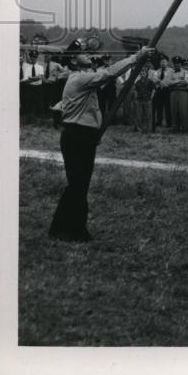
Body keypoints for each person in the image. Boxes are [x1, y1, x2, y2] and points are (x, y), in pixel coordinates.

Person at [48, 46, 155, 241]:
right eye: (83, 53)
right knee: (79, 185)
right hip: (77, 136)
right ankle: (75, 231)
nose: (89, 54)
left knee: (77, 185)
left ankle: (59, 228)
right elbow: (108, 73)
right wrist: (136, 57)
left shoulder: (85, 79)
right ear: (73, 61)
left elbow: (106, 79)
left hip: (82, 135)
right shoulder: (79, 78)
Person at [166, 56, 188, 132]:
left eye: (178, 63)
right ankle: (175, 128)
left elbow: (186, 81)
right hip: (173, 92)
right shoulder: (170, 72)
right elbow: (168, 82)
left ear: (181, 64)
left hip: (183, 92)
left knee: (183, 110)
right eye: (175, 63)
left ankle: (185, 128)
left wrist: (174, 82)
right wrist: (178, 81)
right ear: (173, 64)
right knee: (174, 110)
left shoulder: (185, 72)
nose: (177, 65)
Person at [150, 54, 173, 129]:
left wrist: (160, 81)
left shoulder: (171, 71)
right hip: (159, 90)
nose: (163, 63)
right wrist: (161, 82)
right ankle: (159, 121)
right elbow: (154, 79)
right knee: (159, 107)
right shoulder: (157, 71)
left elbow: (171, 81)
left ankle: (169, 123)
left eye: (164, 62)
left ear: (167, 62)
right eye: (161, 62)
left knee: (167, 107)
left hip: (167, 90)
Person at [132, 67, 156, 132]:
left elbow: (153, 90)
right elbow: (135, 90)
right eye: (141, 72)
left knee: (148, 115)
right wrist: (136, 97)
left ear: (146, 74)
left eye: (144, 72)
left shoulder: (150, 81)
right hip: (139, 100)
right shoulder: (138, 82)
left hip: (147, 100)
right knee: (139, 115)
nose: (142, 73)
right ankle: (139, 129)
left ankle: (148, 129)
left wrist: (151, 98)